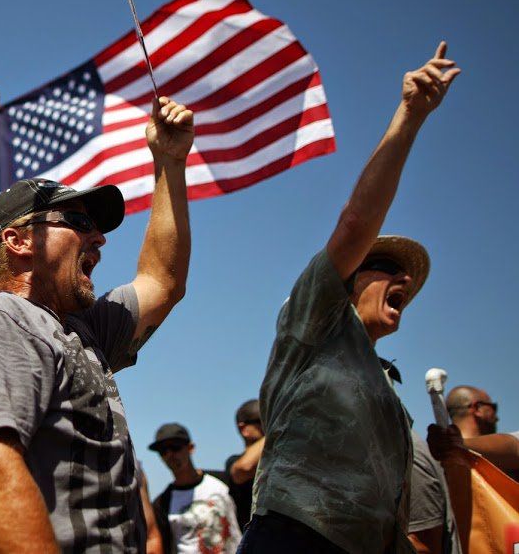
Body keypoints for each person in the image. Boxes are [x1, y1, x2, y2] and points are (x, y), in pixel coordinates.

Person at [0, 96, 195, 552]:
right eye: (77, 222)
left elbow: (162, 282)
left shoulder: (83, 330)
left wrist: (169, 161)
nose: (100, 239)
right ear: (18, 240)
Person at [238, 42, 461, 554]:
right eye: (386, 268)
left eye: (409, 279)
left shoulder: (388, 400)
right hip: (295, 541)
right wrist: (410, 116)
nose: (403, 281)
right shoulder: (315, 323)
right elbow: (356, 223)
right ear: (348, 279)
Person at [150, 423, 241, 554]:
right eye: (163, 450)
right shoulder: (162, 503)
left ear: (190, 448)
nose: (170, 454)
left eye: (175, 447)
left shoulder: (223, 482)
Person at [225, 399, 264, 531]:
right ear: (244, 429)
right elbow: (244, 468)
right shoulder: (234, 461)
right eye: (263, 420)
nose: (269, 425)